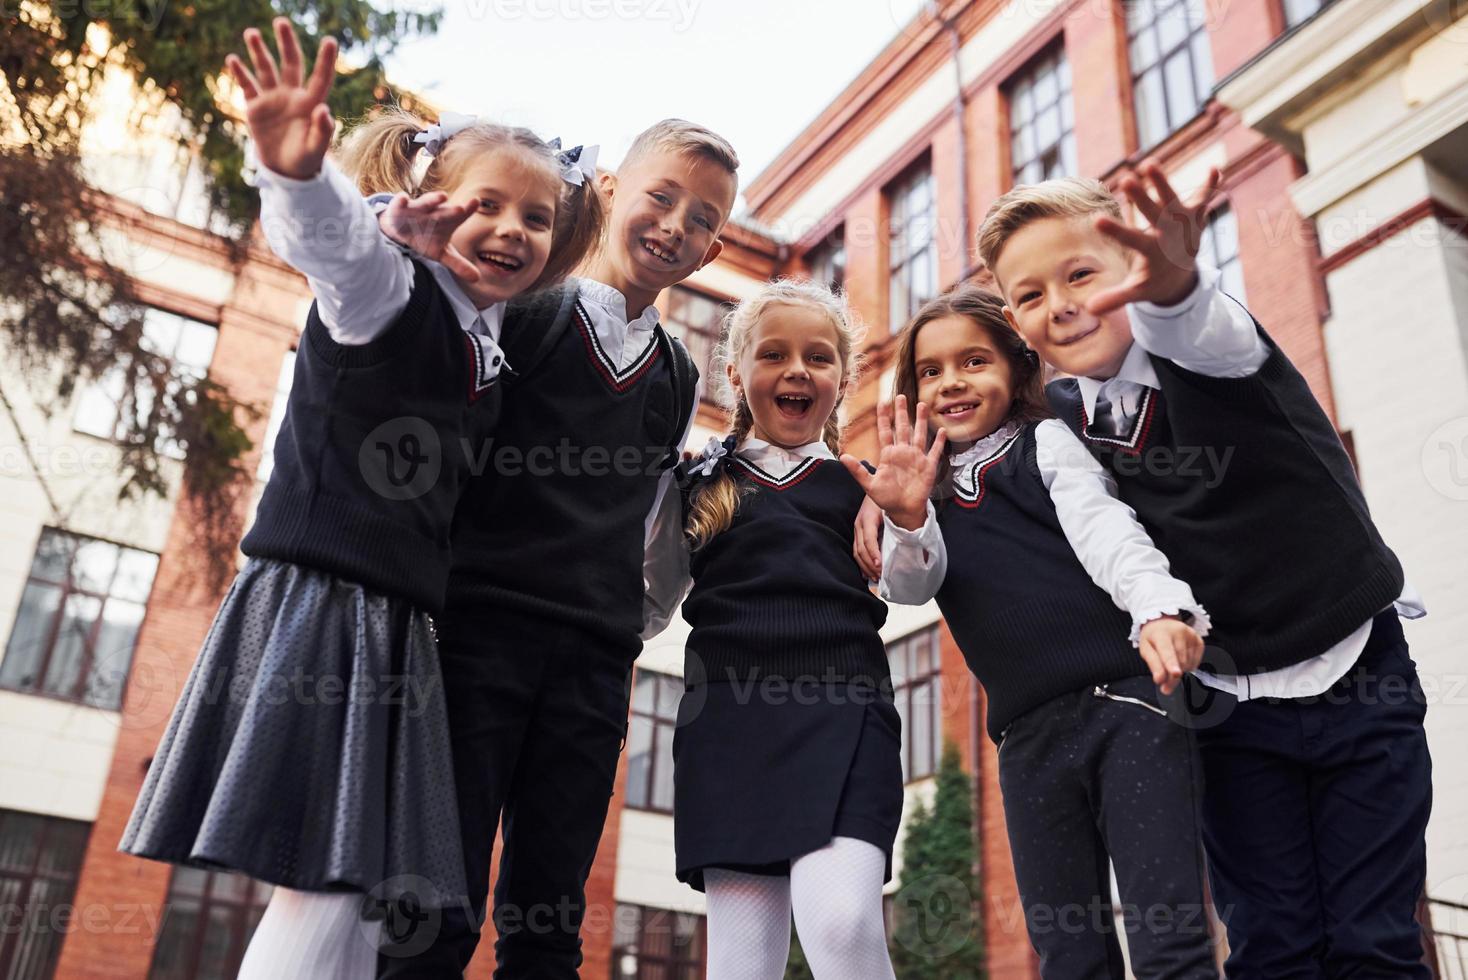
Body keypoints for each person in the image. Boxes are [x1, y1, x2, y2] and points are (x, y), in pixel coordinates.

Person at [119, 18, 602, 979]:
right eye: (486, 206)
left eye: (537, 218)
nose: (510, 229)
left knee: (355, 897)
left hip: (396, 623)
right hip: (324, 605)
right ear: (426, 204)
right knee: (327, 887)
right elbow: (333, 249)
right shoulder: (387, 290)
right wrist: (295, 171)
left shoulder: (484, 350)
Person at [979, 166, 1430, 977]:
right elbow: (1110, 535)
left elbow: (1195, 324)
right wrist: (1157, 610)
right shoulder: (1064, 427)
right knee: (1272, 942)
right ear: (1015, 319)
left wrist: (1177, 285)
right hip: (1234, 706)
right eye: (1033, 295)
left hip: (1356, 667)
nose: (1063, 304)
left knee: (1374, 937)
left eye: (1081, 272)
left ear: (1129, 267)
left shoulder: (1212, 346)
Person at [860, 283, 1216, 977]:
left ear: (1017, 370)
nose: (952, 383)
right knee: (1067, 950)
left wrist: (1158, 611)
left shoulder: (1044, 443)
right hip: (1026, 741)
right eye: (930, 372)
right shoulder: (921, 491)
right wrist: (903, 517)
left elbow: (1111, 535)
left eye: (973, 362)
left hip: (1129, 706)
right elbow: (910, 585)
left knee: (1165, 930)